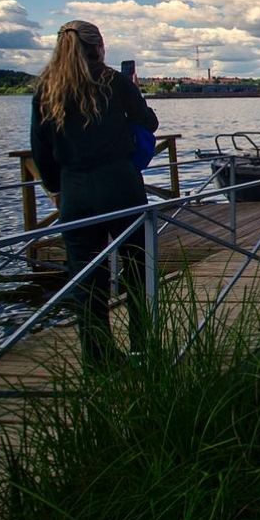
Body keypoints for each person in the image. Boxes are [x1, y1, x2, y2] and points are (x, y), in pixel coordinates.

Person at [30, 20, 158, 366]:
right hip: (121, 185)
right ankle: (143, 347)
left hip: (76, 191)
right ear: (99, 47)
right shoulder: (115, 82)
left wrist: (57, 187)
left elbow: (40, 150)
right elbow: (148, 122)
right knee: (137, 270)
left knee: (86, 279)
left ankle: (97, 358)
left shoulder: (47, 89)